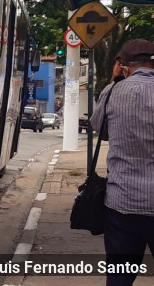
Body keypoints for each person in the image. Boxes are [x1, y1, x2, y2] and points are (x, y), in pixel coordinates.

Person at [90, 39, 154, 285]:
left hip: (122, 202)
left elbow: (98, 127)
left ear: (122, 65)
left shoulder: (113, 91)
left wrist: (112, 81)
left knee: (119, 277)